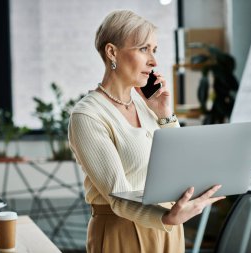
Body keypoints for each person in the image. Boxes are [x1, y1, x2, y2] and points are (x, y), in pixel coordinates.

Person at [68, 10, 225, 253]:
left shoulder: (146, 103)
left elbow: (183, 162)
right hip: (122, 233)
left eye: (154, 50)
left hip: (168, 227)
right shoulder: (88, 115)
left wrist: (164, 113)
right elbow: (118, 196)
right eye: (143, 49)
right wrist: (166, 218)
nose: (153, 61)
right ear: (112, 52)